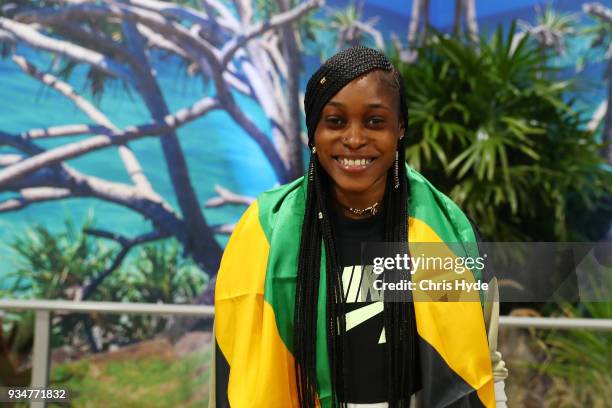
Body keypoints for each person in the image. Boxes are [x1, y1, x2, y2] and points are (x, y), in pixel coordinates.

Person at [209, 46, 507, 408]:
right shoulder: (263, 232)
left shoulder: (446, 230)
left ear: (399, 128)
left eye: (374, 121)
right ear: (313, 133)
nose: (353, 139)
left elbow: (484, 361)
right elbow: (232, 364)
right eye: (335, 121)